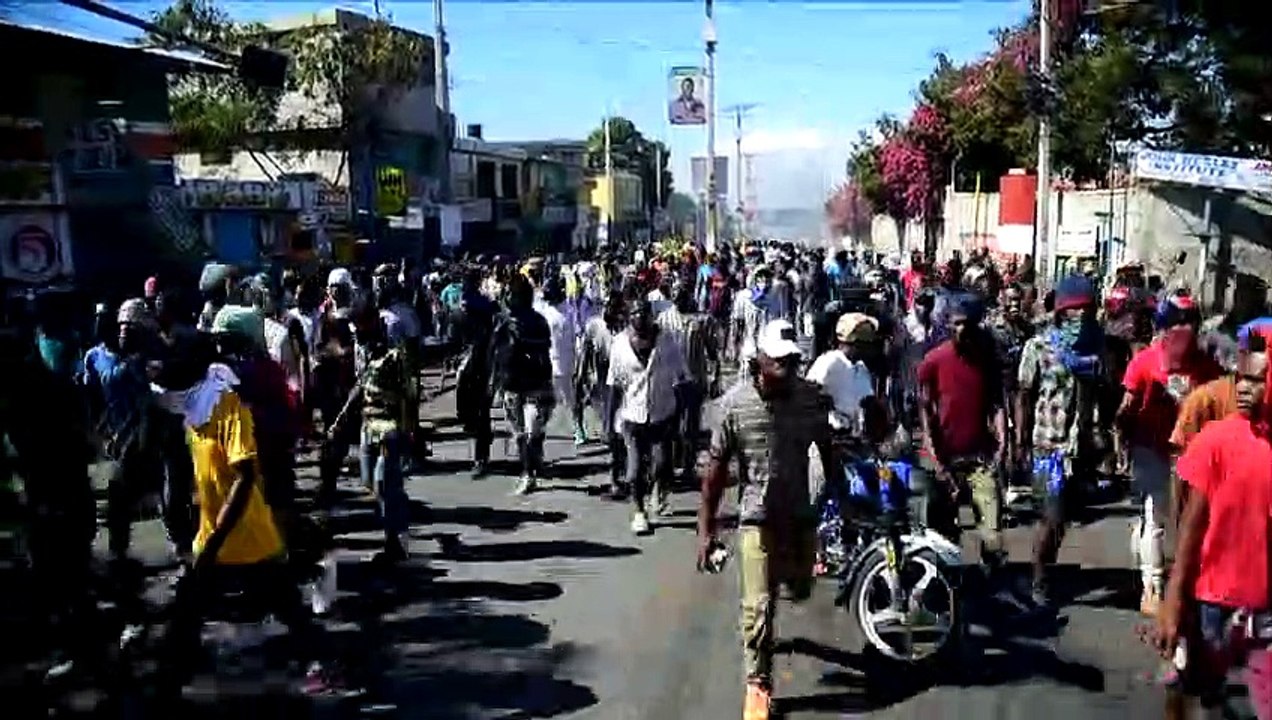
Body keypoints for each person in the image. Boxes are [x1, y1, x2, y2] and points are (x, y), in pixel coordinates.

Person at [698, 319, 834, 720]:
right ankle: (758, 683)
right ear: (759, 359)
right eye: (779, 362)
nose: (787, 370)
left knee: (801, 588)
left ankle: (781, 590)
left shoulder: (811, 399)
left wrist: (838, 503)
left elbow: (828, 452)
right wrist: (706, 530)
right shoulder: (734, 405)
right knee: (757, 607)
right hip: (756, 517)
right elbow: (715, 472)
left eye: (792, 362)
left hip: (800, 516)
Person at [1156, 334, 1272, 720]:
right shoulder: (1215, 441)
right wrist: (1172, 602)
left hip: (1266, 608)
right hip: (1214, 604)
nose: (1243, 388)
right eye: (1240, 377)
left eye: (1257, 380)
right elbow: (1190, 529)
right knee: (1211, 702)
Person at [1117, 292, 1222, 615]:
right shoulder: (1145, 362)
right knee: (1156, 516)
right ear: (1163, 327)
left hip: (1192, 454)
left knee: (1185, 518)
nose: (1184, 330)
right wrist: (1120, 441)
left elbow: (1218, 406)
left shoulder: (1206, 366)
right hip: (1151, 448)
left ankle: (1177, 573)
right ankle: (1153, 586)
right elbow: (1127, 407)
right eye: (1178, 323)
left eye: (1190, 323)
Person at [1015, 275, 1114, 605]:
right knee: (1051, 516)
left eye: (1087, 310)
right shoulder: (1039, 347)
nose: (1081, 317)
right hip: (1049, 446)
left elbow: (1106, 394)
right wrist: (1020, 442)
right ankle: (1039, 579)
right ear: (1060, 312)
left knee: (1066, 519)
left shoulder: (1099, 348)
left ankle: (1049, 565)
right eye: (1074, 311)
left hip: (1080, 448)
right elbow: (1024, 396)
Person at [916, 293, 1008, 567]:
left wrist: (1003, 441)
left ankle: (992, 576)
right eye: (956, 324)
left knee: (991, 528)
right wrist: (934, 453)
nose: (962, 329)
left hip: (979, 456)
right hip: (944, 457)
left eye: (967, 323)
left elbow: (996, 403)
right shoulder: (933, 361)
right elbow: (925, 408)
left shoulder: (985, 360)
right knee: (942, 531)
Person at [609, 299, 689, 534]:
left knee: (662, 464)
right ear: (628, 317)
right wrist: (608, 421)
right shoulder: (619, 345)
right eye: (634, 313)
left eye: (644, 314)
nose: (639, 318)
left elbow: (681, 379)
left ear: (651, 316)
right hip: (632, 416)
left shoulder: (667, 342)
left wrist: (684, 416)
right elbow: (613, 384)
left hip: (662, 414)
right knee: (633, 472)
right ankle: (639, 512)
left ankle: (658, 490)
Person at [491, 276, 555, 495]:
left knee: (533, 428)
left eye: (514, 294)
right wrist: (494, 381)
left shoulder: (538, 321)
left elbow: (546, 344)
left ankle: (535, 458)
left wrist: (523, 342)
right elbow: (494, 352)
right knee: (519, 433)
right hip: (510, 383)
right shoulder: (501, 321)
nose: (510, 298)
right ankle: (528, 473)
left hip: (535, 383)